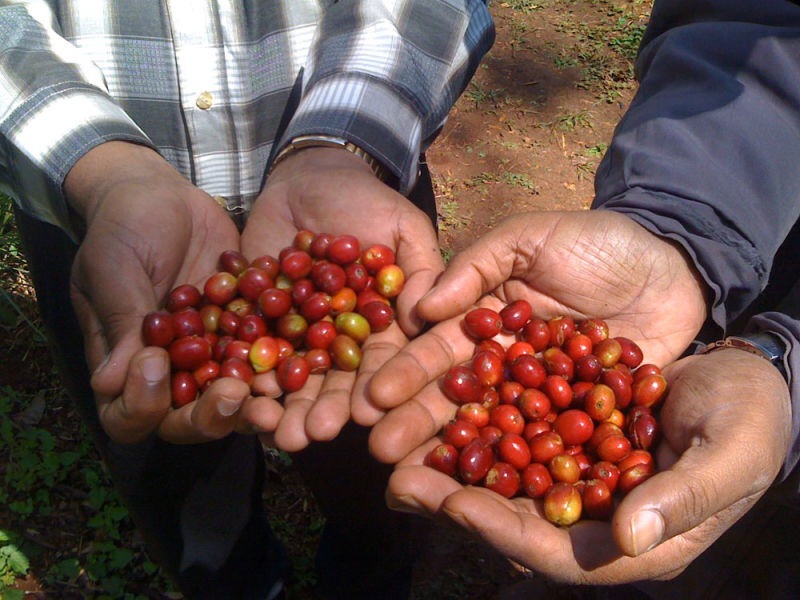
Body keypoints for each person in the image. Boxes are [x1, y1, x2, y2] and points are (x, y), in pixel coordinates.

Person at [0, 1, 495, 598]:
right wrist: (104, 171)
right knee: (183, 495)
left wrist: (343, 140)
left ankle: (372, 578)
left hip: (355, 171)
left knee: (379, 479)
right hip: (106, 224)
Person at [367, 0, 800, 597]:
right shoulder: (583, 400)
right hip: (752, 242)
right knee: (632, 530)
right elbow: (764, 28)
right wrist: (679, 227)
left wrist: (786, 373)